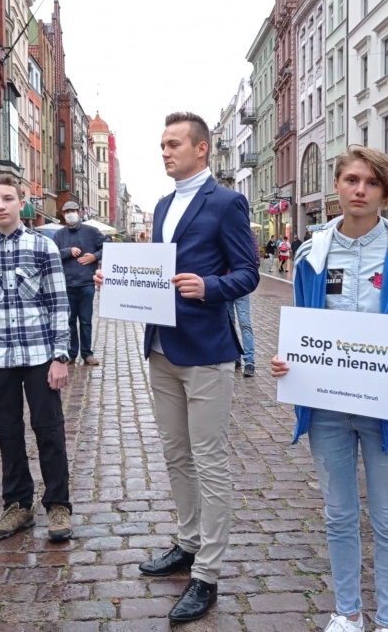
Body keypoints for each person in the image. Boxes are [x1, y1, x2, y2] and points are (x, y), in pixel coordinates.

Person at [271, 145, 388, 632]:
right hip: (326, 407)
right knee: (338, 516)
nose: (359, 189)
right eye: (351, 179)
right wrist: (290, 360)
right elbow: (306, 327)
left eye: (371, 183)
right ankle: (347, 612)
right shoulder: (311, 252)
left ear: (386, 193)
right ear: (337, 186)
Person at [97, 112, 259, 623]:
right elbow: (155, 272)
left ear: (202, 149)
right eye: (161, 145)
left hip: (207, 348)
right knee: (175, 453)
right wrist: (118, 282)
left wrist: (210, 287)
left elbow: (248, 273)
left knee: (209, 460)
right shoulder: (164, 205)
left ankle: (207, 572)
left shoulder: (227, 202)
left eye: (173, 144)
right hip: (162, 346)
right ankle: (188, 542)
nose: (164, 152)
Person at [0, 174, 74, 544]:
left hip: (40, 353)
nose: (1, 206)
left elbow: (59, 303)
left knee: (49, 432)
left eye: (8, 198)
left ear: (21, 201)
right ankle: (18, 505)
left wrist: (60, 356)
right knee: (7, 433)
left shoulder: (43, 247)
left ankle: (58, 504)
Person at [53, 200, 104, 365]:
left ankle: (87, 353)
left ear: (79, 212)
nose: (70, 214)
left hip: (86, 283)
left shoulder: (91, 231)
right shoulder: (59, 235)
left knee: (85, 320)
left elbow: (108, 247)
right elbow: (52, 254)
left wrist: (94, 256)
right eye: (67, 212)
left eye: (73, 210)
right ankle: (71, 353)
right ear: (63, 214)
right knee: (69, 321)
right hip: (67, 284)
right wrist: (68, 251)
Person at [228, 229, 261, 377]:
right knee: (229, 323)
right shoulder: (223, 230)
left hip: (240, 286)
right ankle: (235, 356)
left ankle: (249, 361)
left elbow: (256, 260)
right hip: (225, 285)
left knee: (245, 323)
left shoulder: (248, 233)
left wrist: (245, 277)